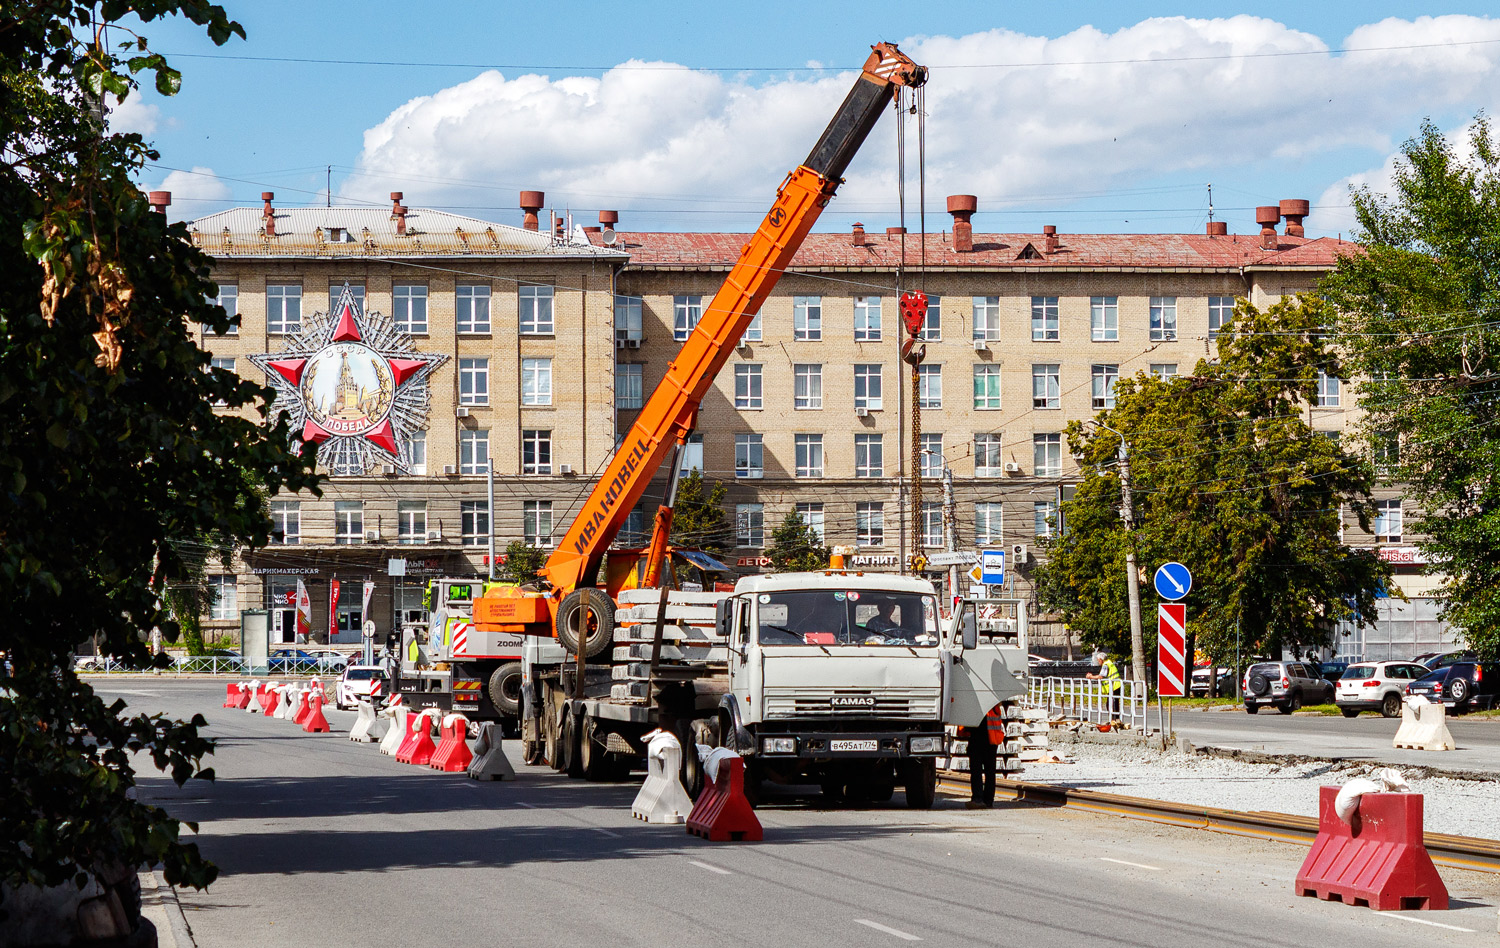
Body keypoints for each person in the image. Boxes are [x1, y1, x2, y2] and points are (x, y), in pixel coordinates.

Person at [963, 703, 1005, 808]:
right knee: (989, 771)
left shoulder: (974, 705)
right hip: (990, 740)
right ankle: (987, 800)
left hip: (981, 739)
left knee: (977, 770)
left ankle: (978, 799)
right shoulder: (993, 704)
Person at [1086, 649, 1123, 723]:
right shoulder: (1110, 663)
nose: (1098, 661)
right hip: (1116, 685)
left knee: (1111, 704)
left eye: (1098, 660)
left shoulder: (1105, 665)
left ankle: (1114, 720)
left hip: (1113, 686)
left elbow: (1101, 676)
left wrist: (1090, 677)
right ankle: (1115, 719)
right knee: (1113, 703)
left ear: (1101, 659)